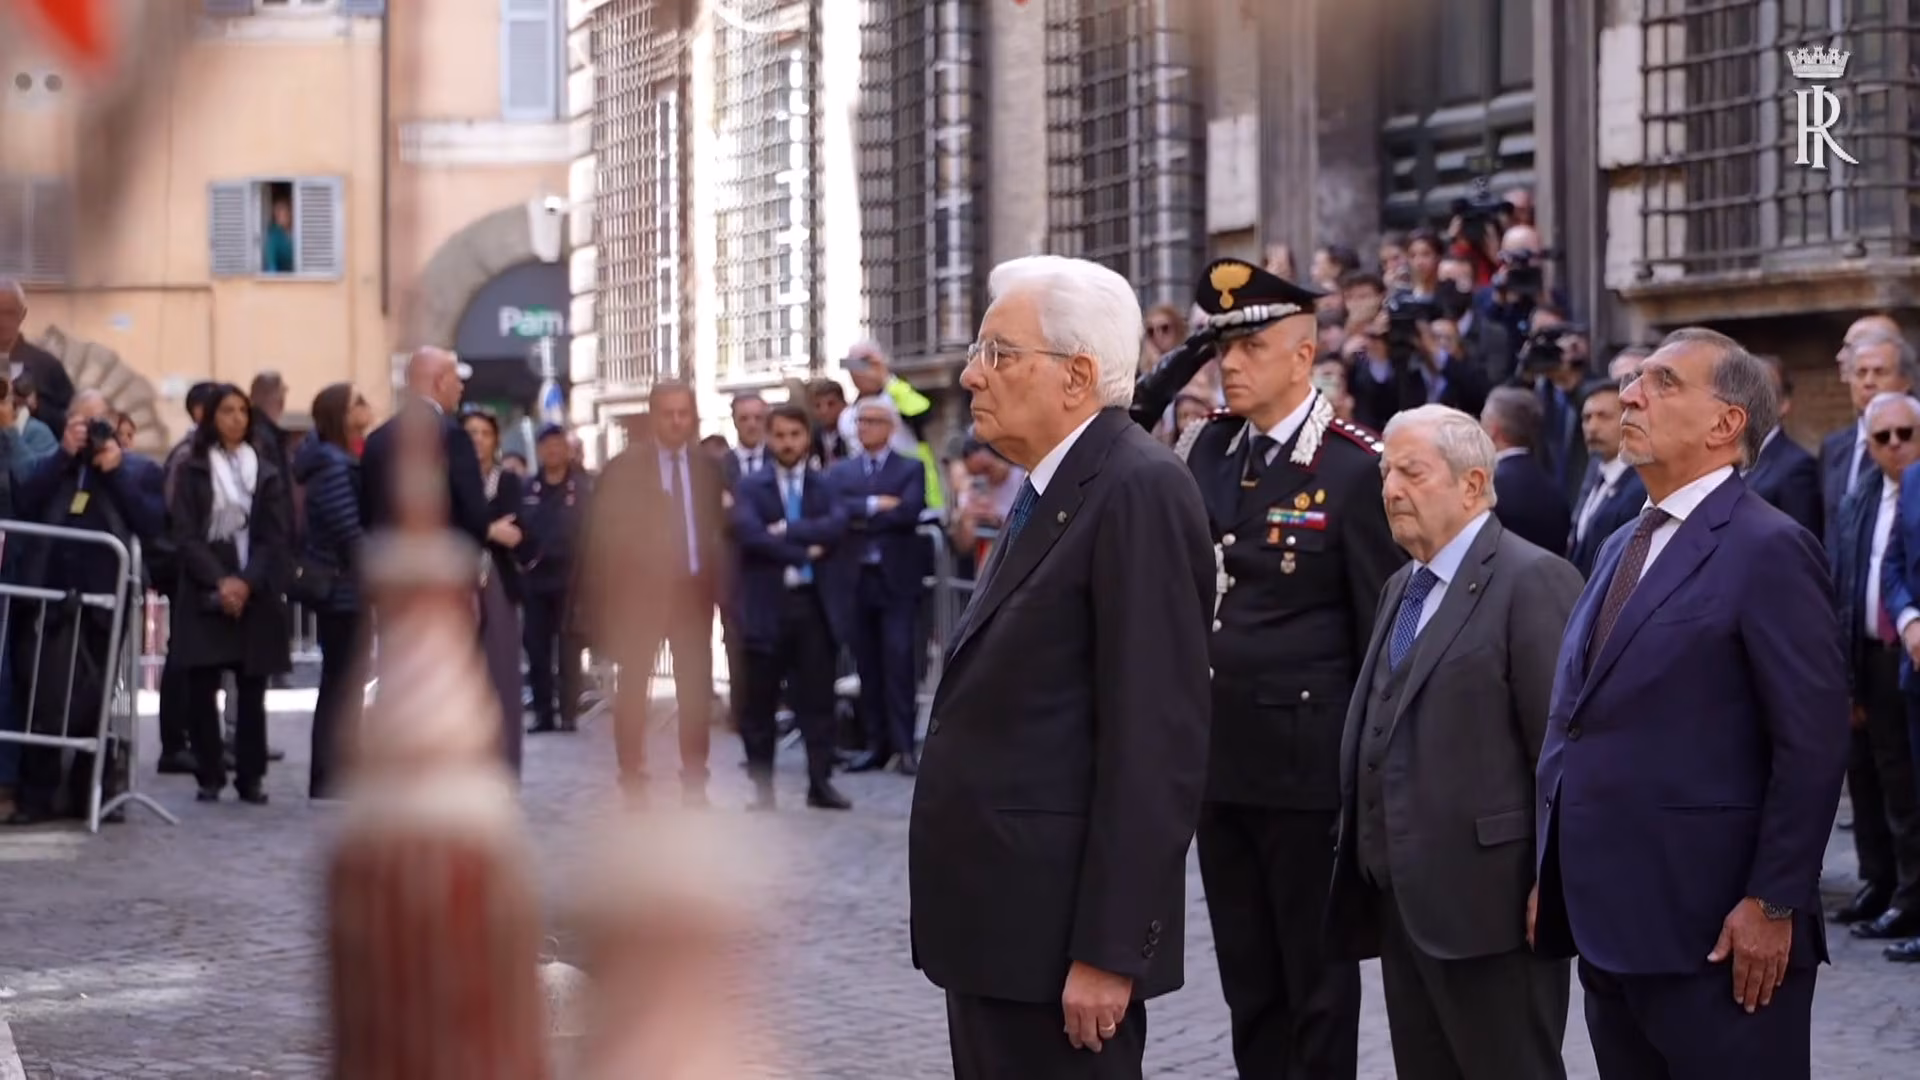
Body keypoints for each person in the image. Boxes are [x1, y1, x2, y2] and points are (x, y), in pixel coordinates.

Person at [909, 255, 1213, 1078]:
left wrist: (1112, 950)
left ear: (1076, 375)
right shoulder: (1053, 485)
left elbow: (1156, 741)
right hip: (1001, 933)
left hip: (1058, 948)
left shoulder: (1138, 487)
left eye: (999, 353)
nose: (972, 374)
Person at [1532, 328, 1848, 1079]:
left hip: (1719, 938)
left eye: (1663, 382)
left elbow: (1812, 742)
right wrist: (1553, 865)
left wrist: (1774, 901)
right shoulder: (1621, 544)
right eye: (1634, 379)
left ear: (1725, 423)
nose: (1630, 395)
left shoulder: (1768, 546)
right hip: (1610, 927)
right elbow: (1576, 716)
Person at [1170, 258, 1402, 1080]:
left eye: (1251, 348)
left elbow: (1380, 634)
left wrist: (1372, 786)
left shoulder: (1353, 467)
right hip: (1219, 761)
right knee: (1249, 981)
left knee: (1316, 985)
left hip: (1308, 773)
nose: (1229, 365)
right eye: (1221, 349)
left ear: (1303, 356)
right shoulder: (1203, 449)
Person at [1328, 404, 1580, 1080]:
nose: (1391, 490)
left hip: (1493, 910)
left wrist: (1555, 883)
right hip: (1404, 905)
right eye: (1385, 474)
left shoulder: (1531, 579)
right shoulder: (1401, 585)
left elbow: (1562, 751)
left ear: (1473, 484)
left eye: (1411, 473)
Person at [3, 390, 164, 825]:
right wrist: (63, 456)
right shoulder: (53, 465)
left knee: (101, 700)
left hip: (106, 601)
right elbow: (25, 501)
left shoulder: (136, 470)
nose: (91, 432)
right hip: (49, 598)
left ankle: (92, 792)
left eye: (98, 423)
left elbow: (151, 522)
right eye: (82, 422)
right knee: (41, 699)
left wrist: (115, 472)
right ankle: (37, 796)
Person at [361, 348, 525, 771]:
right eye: (455, 379)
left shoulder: (379, 439)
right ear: (437, 382)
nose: (461, 387)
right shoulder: (451, 436)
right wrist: (487, 532)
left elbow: (368, 516)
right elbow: (472, 513)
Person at [584, 379, 728, 807]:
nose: (677, 422)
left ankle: (695, 779)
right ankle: (632, 774)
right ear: (653, 417)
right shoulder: (625, 468)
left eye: (684, 413)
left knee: (695, 690)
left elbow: (715, 527)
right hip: (640, 597)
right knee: (634, 688)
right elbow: (605, 536)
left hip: (692, 594)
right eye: (668, 414)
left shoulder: (707, 468)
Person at [167, 384, 293, 805]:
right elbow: (185, 534)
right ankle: (209, 773)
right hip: (206, 586)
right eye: (227, 410)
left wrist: (246, 582)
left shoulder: (266, 470)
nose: (237, 418)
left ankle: (251, 776)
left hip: (254, 589)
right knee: (202, 688)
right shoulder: (193, 468)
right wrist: (220, 582)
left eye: (242, 410)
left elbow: (274, 534)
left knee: (252, 689)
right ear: (211, 417)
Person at [1831, 392, 1920, 957]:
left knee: (1907, 784)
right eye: (1882, 437)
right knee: (1874, 779)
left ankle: (1910, 899)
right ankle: (1887, 886)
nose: (1895, 446)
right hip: (1870, 653)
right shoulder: (1861, 497)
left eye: (1905, 434)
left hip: (1903, 657)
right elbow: (1857, 573)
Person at [731, 404, 851, 811]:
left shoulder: (826, 485)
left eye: (795, 435)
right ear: (769, 438)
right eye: (780, 435)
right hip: (766, 606)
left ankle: (820, 782)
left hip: (813, 606)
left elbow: (836, 525)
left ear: (806, 438)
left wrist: (786, 530)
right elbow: (750, 534)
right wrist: (804, 550)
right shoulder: (751, 487)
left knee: (818, 699)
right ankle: (763, 789)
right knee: (759, 702)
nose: (787, 443)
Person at [828, 395, 928, 775]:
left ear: (890, 427)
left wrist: (863, 513)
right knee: (867, 665)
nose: (865, 428)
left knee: (899, 662)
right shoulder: (842, 471)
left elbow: (909, 511)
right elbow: (837, 511)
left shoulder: (910, 467)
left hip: (896, 580)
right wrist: (875, 506)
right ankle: (874, 744)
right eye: (861, 421)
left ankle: (904, 746)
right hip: (856, 579)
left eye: (873, 421)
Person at [292, 383, 369, 799]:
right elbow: (348, 530)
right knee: (342, 682)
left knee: (342, 682)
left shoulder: (335, 460)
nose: (367, 407)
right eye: (358, 403)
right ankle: (332, 774)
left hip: (345, 586)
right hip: (343, 589)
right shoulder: (334, 466)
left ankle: (338, 771)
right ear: (340, 414)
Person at [518, 424, 590, 735]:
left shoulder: (582, 488)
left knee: (569, 649)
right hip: (535, 581)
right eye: (546, 445)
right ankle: (543, 713)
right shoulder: (527, 489)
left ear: (567, 448)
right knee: (537, 649)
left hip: (571, 579)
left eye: (558, 444)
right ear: (539, 450)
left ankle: (569, 712)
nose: (552, 450)